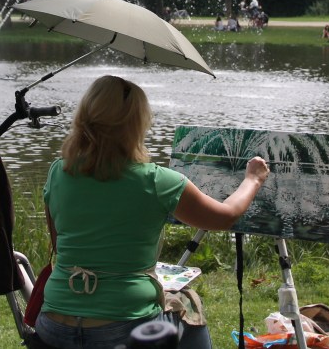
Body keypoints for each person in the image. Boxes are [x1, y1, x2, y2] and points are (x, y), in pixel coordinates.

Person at [36, 75, 270, 349]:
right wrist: (253, 179)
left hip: (54, 325)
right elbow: (226, 215)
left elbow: (59, 244)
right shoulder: (156, 181)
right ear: (136, 124)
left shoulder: (58, 172)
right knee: (187, 303)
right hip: (123, 327)